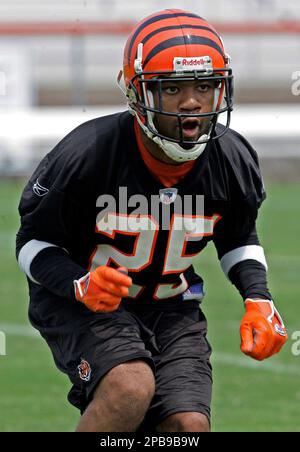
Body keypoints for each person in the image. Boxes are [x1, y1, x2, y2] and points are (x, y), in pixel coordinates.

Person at [16, 9, 288, 433]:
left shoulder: (231, 158)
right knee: (129, 386)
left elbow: (237, 235)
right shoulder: (88, 155)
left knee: (188, 424)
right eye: (171, 88)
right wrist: (79, 282)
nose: (192, 101)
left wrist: (258, 297)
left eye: (205, 85)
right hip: (85, 301)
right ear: (136, 93)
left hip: (170, 303)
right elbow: (32, 244)